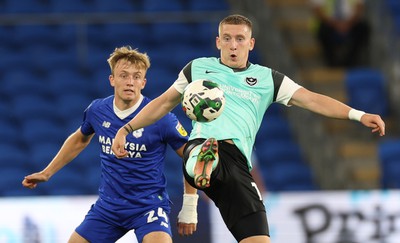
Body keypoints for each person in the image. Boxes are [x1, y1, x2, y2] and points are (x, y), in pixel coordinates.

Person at [111, 15, 385, 243]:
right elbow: (162, 104)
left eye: (240, 39)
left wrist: (358, 115)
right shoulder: (197, 69)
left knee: (258, 238)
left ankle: (206, 167)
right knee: (202, 150)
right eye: (227, 38)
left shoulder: (268, 79)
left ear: (250, 43)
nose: (233, 45)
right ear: (218, 42)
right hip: (203, 145)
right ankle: (203, 163)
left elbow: (312, 99)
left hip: (239, 166)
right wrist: (127, 128)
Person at [22, 46, 199, 243]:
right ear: (112, 80)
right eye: (123, 75)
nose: (130, 82)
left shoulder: (162, 118)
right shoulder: (97, 110)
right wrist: (47, 172)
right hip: (109, 208)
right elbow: (80, 138)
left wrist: (190, 206)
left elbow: (191, 157)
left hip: (148, 206)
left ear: (144, 82)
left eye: (136, 76)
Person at [310, 0, 371, 67]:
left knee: (363, 28)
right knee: (323, 30)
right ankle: (332, 62)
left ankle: (351, 62)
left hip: (350, 23)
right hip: (329, 23)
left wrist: (348, 24)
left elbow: (359, 7)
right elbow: (317, 9)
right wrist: (336, 25)